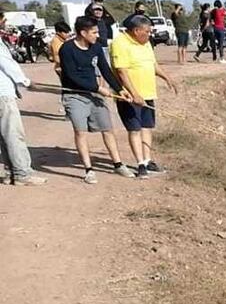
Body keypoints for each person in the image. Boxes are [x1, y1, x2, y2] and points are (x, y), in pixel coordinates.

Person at [58, 16, 136, 184]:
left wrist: (120, 89)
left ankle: (118, 164)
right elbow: (71, 76)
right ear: (82, 33)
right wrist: (98, 88)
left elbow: (106, 71)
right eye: (94, 32)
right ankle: (89, 169)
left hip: (95, 95)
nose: (97, 35)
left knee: (107, 129)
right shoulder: (67, 49)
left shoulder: (97, 47)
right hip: (75, 95)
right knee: (80, 131)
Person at [110, 15, 179, 179]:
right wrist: (135, 94)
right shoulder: (120, 43)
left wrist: (167, 78)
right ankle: (140, 164)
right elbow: (122, 71)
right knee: (134, 129)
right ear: (136, 30)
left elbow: (153, 64)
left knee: (147, 127)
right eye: (147, 31)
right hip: (130, 96)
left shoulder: (146, 43)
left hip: (148, 93)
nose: (150, 34)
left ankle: (148, 160)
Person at [0, 11, 47, 185]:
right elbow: (7, 64)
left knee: (3, 136)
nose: (4, 22)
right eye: (2, 19)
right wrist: (25, 81)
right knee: (13, 134)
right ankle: (22, 173)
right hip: (3, 94)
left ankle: (10, 172)